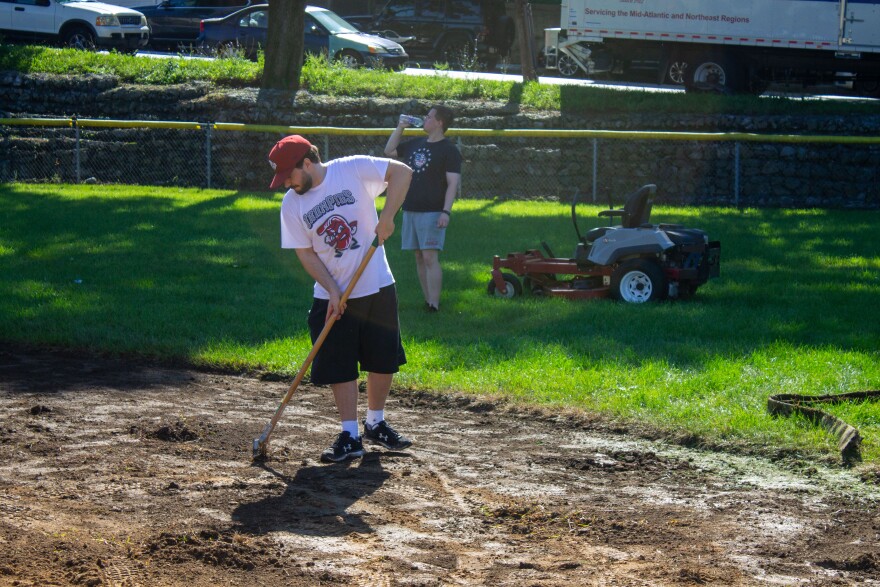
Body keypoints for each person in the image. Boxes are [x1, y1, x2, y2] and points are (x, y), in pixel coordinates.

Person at [269, 134, 414, 464]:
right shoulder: (292, 204)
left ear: (307, 163)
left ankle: (376, 422)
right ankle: (350, 434)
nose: (286, 184)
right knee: (340, 364)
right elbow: (305, 254)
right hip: (331, 295)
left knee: (383, 358)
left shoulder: (351, 169)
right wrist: (332, 290)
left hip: (377, 284)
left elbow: (403, 172)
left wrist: (388, 216)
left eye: (288, 175)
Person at [384, 105, 462, 312]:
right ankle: (428, 300)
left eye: (429, 117)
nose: (424, 120)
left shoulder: (449, 150)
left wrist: (446, 212)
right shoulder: (416, 143)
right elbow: (389, 151)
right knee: (418, 256)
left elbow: (453, 183)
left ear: (439, 123)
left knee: (429, 257)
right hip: (411, 209)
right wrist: (400, 127)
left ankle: (434, 304)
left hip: (433, 211)